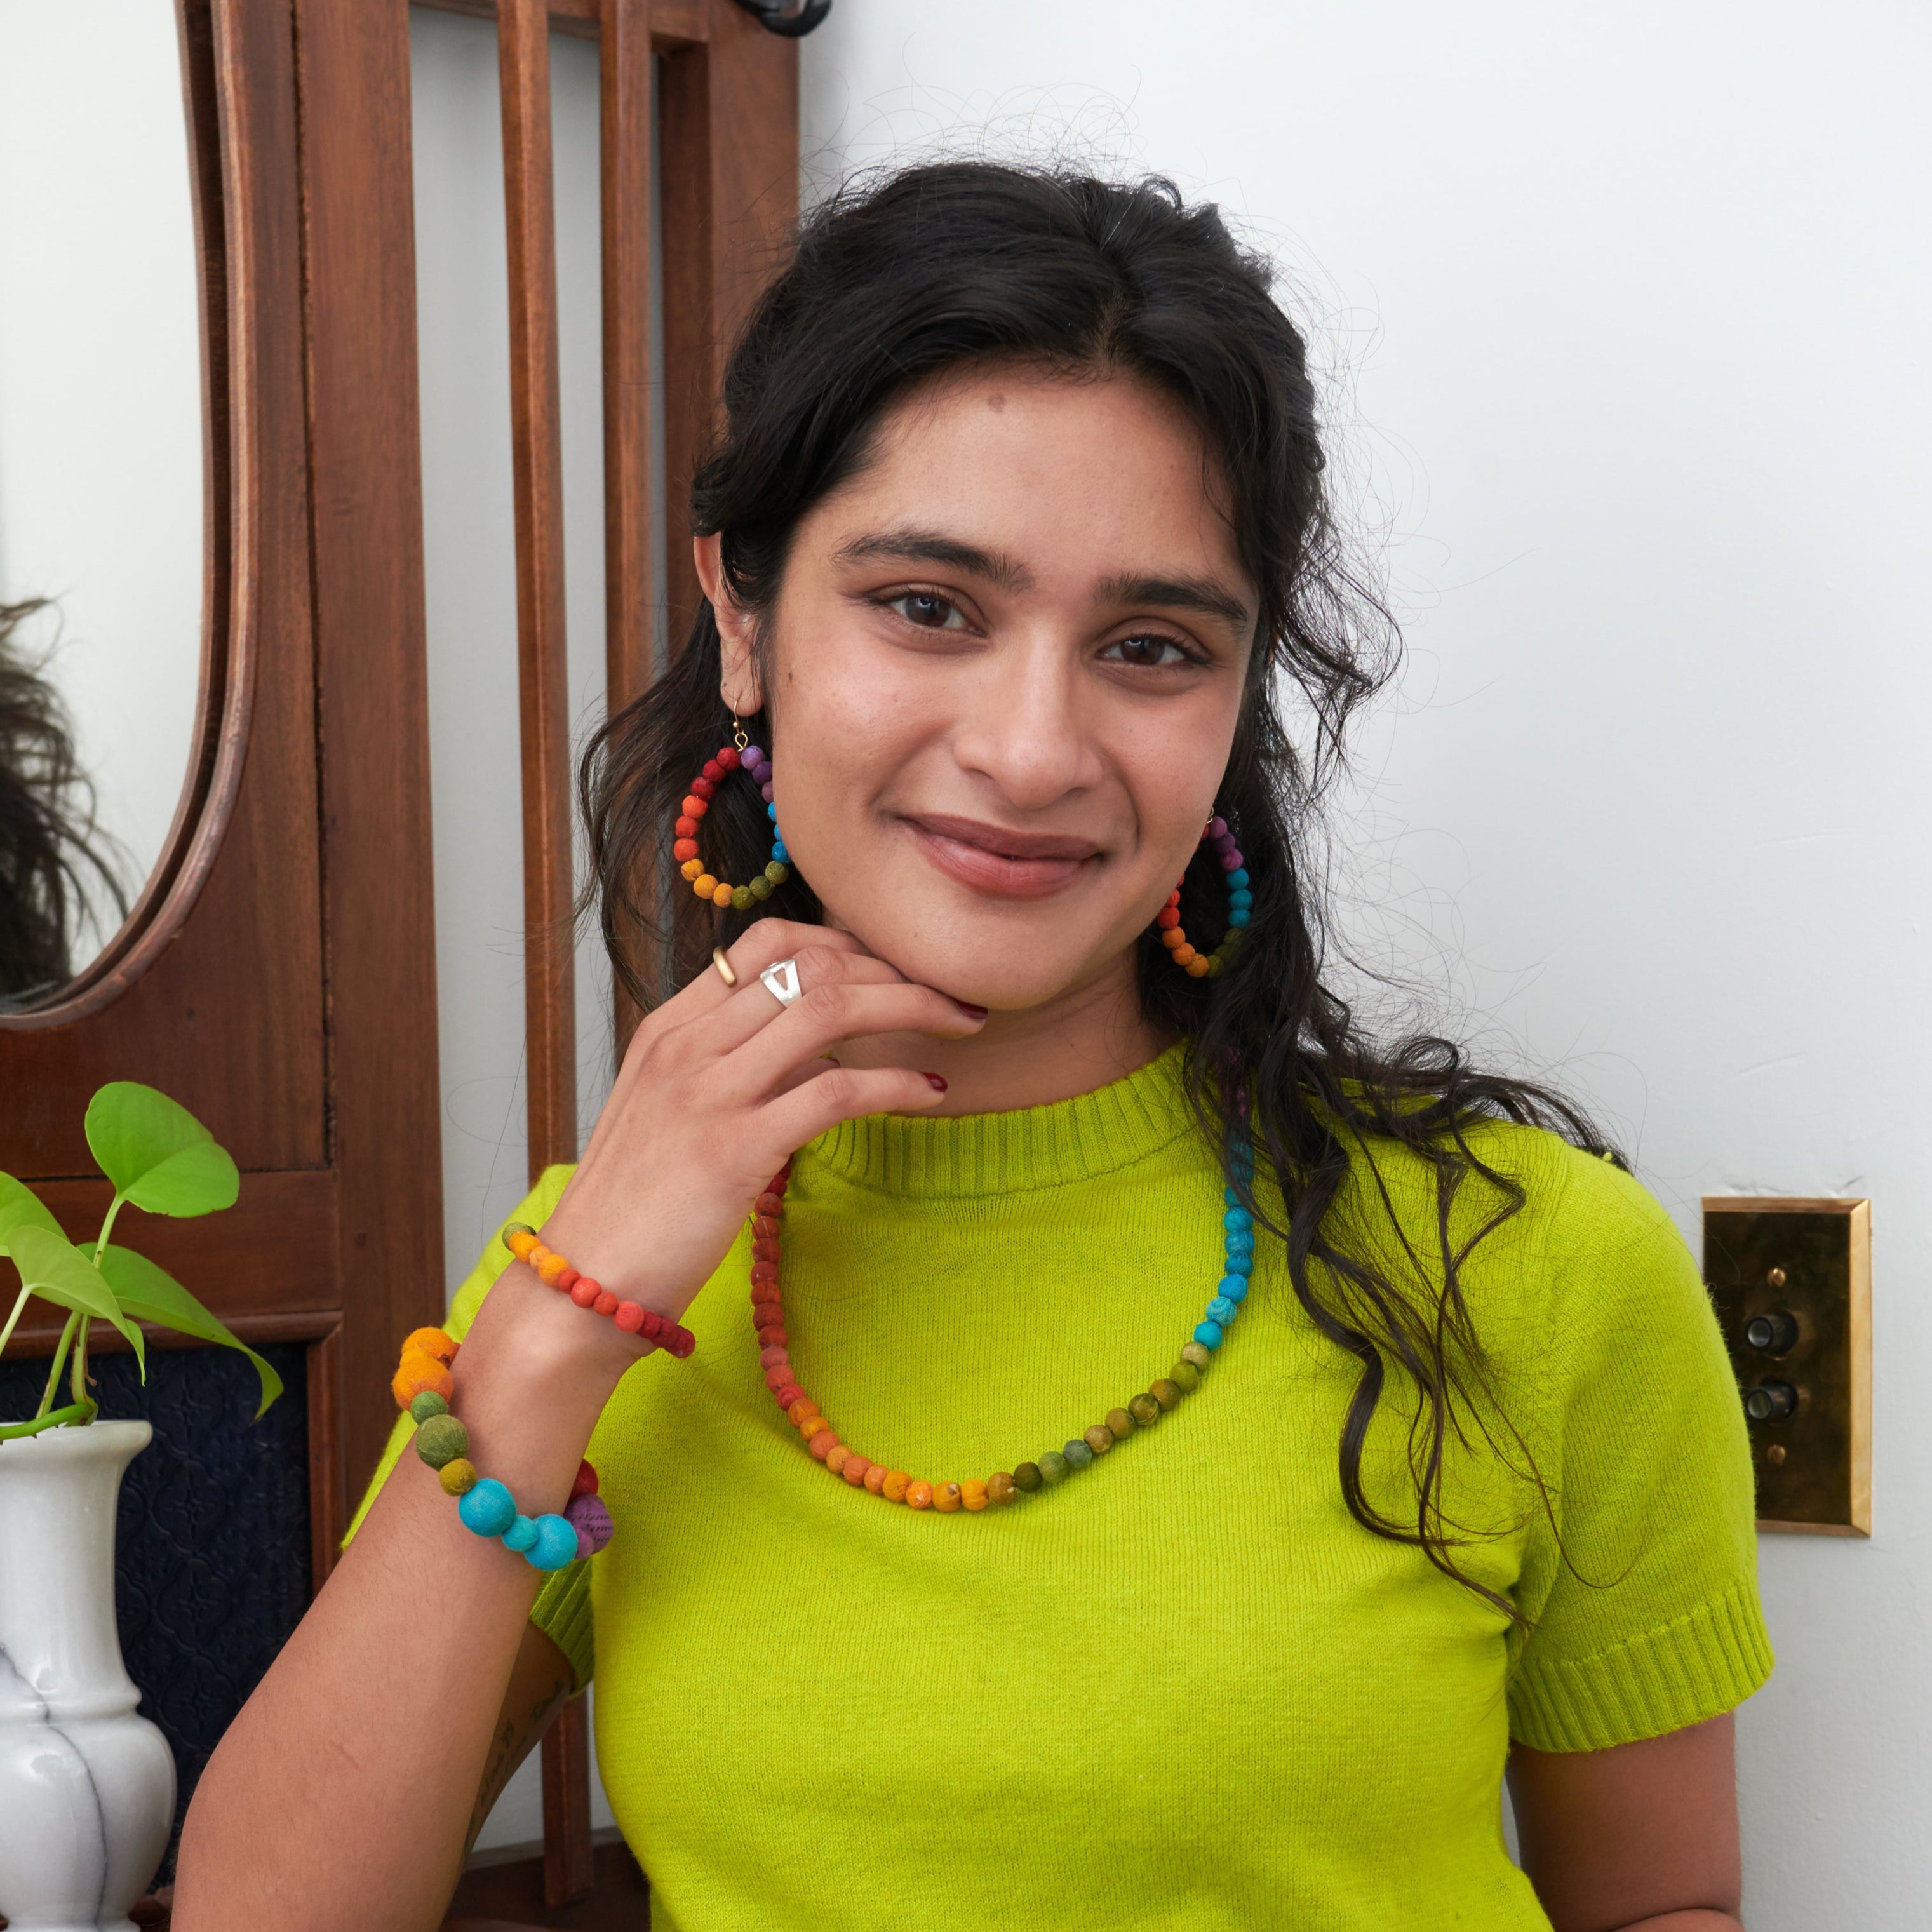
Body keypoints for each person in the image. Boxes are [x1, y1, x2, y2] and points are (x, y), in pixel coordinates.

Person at [175, 163, 1768, 1931]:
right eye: (928, 606)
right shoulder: (611, 1272)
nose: (1029, 748)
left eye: (1149, 646)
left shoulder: (1528, 1265)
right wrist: (557, 1319)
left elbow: (1657, 1906)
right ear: (745, 615)